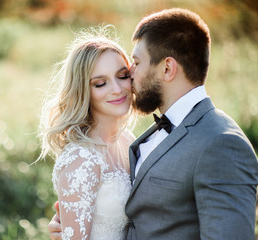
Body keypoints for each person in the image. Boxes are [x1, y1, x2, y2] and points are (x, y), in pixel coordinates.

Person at [48, 8, 258, 240]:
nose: (130, 75)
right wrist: (72, 224)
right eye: (101, 83)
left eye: (135, 64)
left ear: (167, 68)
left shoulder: (222, 143)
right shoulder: (142, 138)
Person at [39, 26, 136, 240]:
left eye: (122, 76)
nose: (117, 89)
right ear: (83, 90)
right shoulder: (81, 159)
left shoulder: (129, 141)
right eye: (100, 83)